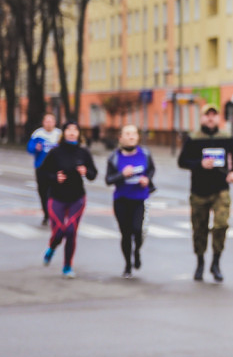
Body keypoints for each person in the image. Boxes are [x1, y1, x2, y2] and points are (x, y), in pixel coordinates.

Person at [177, 104, 233, 282]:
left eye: (214, 114)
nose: (211, 118)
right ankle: (200, 262)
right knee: (199, 228)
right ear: (202, 118)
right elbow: (182, 161)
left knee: (221, 224)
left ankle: (216, 262)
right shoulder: (193, 138)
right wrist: (199, 164)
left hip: (221, 188)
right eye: (208, 115)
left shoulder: (226, 137)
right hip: (199, 190)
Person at [40, 121, 97, 279]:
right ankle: (51, 247)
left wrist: (86, 171)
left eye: (75, 130)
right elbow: (43, 173)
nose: (72, 132)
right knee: (58, 231)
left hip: (77, 198)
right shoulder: (55, 152)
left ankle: (67, 266)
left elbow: (93, 174)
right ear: (63, 133)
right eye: (69, 130)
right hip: (56, 196)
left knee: (71, 231)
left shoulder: (83, 153)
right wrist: (55, 177)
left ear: (79, 134)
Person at [105, 124, 155, 279]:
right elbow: (108, 179)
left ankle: (137, 251)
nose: (131, 136)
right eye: (127, 134)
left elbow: (151, 170)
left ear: (138, 137)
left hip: (139, 199)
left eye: (134, 133)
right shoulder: (114, 157)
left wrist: (147, 179)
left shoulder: (145, 154)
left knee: (138, 230)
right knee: (126, 234)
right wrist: (122, 175)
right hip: (121, 200)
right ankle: (127, 265)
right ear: (121, 137)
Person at [27, 113, 62, 226]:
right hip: (41, 167)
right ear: (43, 122)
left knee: (55, 191)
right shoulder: (38, 134)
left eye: (50, 121)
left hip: (55, 168)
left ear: (54, 122)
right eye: (46, 121)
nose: (48, 123)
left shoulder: (59, 134)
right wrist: (35, 148)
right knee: (43, 192)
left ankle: (54, 213)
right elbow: (30, 148)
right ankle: (46, 214)